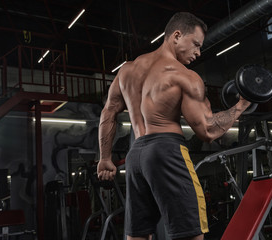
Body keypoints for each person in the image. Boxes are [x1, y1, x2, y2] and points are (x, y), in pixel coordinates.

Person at [97, 12, 251, 240]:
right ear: (177, 36)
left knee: (138, 235)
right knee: (191, 233)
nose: (198, 52)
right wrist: (242, 104)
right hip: (166, 151)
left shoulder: (127, 70)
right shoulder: (184, 76)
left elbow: (108, 112)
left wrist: (105, 158)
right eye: (196, 44)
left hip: (136, 156)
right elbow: (207, 130)